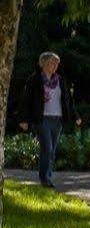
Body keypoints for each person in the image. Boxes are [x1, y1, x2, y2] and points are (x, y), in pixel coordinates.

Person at [18, 52, 78, 188]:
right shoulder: (35, 80)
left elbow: (68, 100)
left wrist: (76, 116)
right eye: (52, 62)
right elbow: (26, 100)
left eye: (57, 63)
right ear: (43, 64)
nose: (55, 65)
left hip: (57, 119)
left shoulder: (60, 80)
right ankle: (45, 179)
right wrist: (23, 119)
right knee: (47, 148)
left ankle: (47, 177)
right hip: (42, 119)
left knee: (52, 150)